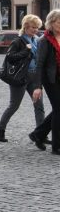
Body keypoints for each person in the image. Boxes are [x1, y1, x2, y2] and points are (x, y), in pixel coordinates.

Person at [0, 14, 45, 143]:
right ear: (26, 26)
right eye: (33, 27)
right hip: (20, 77)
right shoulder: (18, 41)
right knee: (14, 105)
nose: (35, 30)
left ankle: (41, 134)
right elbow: (10, 57)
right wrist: (26, 51)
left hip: (34, 76)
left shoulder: (37, 40)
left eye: (37, 27)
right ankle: (0, 129)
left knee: (39, 106)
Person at [30, 9, 60, 155]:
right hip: (51, 79)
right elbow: (39, 64)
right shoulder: (44, 40)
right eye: (58, 22)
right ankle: (57, 146)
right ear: (51, 23)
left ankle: (38, 134)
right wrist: (37, 86)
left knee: (58, 110)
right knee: (59, 109)